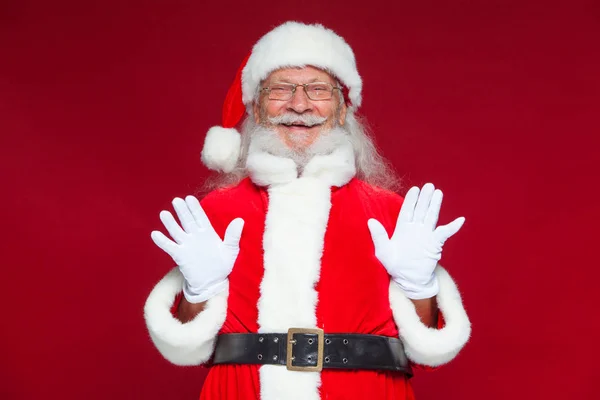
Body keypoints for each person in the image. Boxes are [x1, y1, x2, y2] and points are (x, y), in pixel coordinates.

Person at [144, 21, 471, 400]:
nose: (299, 105)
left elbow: (429, 352)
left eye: (318, 90)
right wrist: (198, 291)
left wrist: (420, 287)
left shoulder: (393, 212)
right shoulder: (215, 212)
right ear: (257, 106)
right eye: (281, 89)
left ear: (343, 109)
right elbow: (187, 346)